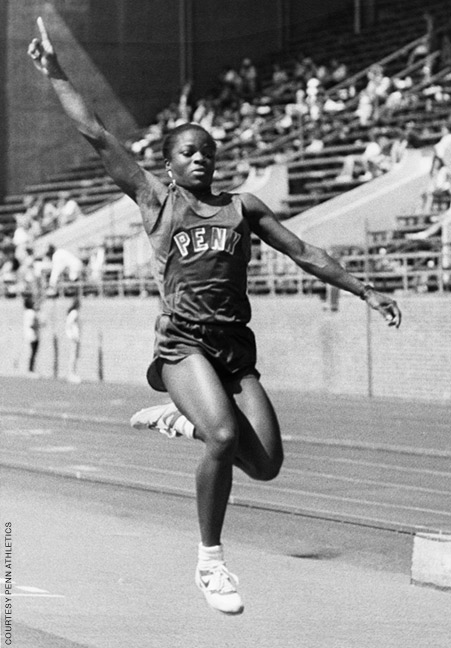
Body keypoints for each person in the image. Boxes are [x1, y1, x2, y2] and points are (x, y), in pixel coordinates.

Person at [28, 18, 401, 616]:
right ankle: (210, 562)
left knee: (269, 464)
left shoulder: (243, 209)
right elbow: (96, 134)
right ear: (170, 164)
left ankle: (182, 422)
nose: (200, 159)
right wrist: (56, 72)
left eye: (207, 151)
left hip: (234, 353)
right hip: (182, 347)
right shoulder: (157, 202)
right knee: (225, 436)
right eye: (187, 152)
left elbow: (306, 253)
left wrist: (366, 291)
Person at [23, 295, 41, 376]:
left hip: (29, 335)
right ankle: (31, 370)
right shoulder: (31, 313)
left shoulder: (26, 312)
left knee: (32, 353)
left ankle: (30, 370)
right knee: (33, 353)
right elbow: (32, 324)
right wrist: (39, 325)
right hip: (33, 335)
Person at [65, 297, 82, 383]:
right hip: (74, 338)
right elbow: (68, 324)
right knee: (73, 356)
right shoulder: (74, 313)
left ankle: (72, 373)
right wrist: (71, 335)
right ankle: (71, 374)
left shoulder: (75, 312)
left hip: (76, 338)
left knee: (75, 356)